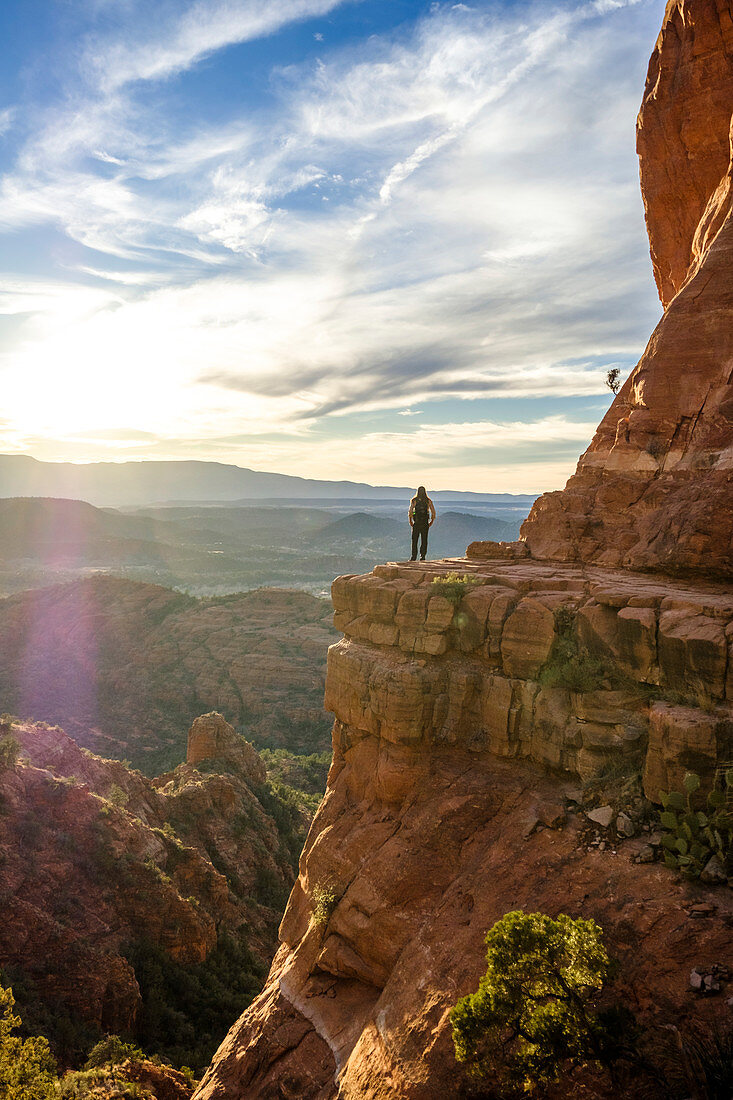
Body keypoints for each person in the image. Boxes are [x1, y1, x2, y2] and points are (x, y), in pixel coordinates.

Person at [408, 485, 436, 561]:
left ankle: (413, 557)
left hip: (416, 523)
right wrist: (431, 521)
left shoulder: (414, 500)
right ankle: (422, 556)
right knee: (424, 540)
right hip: (425, 523)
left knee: (414, 540)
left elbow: (411, 511)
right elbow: (433, 511)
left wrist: (411, 520)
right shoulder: (428, 501)